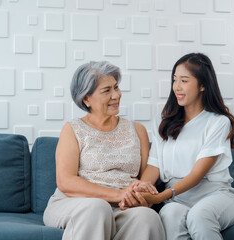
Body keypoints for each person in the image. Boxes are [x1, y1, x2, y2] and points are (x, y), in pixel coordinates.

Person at [121, 53, 234, 240]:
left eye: (184, 80)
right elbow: (155, 164)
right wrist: (142, 188)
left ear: (203, 85)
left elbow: (197, 174)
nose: (177, 86)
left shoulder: (218, 122)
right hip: (177, 199)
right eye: (174, 80)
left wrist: (160, 197)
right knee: (169, 215)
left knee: (199, 216)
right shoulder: (163, 120)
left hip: (216, 196)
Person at [43, 61, 165, 240]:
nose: (116, 95)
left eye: (116, 87)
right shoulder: (73, 129)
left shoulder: (137, 130)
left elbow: (146, 176)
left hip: (121, 207)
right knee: (98, 208)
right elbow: (65, 181)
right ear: (86, 98)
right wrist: (118, 194)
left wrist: (139, 194)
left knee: (147, 217)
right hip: (76, 203)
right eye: (106, 90)